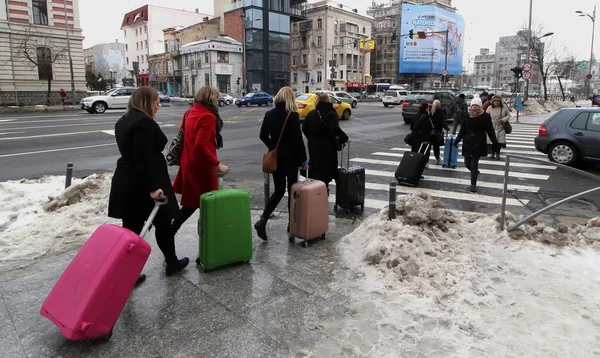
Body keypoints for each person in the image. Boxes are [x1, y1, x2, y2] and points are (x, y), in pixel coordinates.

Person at [108, 87, 189, 280]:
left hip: (126, 179)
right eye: (156, 102)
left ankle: (127, 272)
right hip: (146, 180)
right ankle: (171, 262)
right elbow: (142, 157)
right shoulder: (144, 122)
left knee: (131, 227)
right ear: (147, 102)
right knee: (163, 223)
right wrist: (153, 188)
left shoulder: (123, 120)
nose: (158, 106)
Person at [172, 86, 229, 234]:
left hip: (188, 161)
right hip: (201, 166)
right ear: (210, 98)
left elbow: (182, 135)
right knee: (203, 202)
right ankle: (174, 230)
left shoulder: (190, 111)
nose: (218, 100)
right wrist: (217, 164)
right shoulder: (208, 116)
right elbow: (201, 145)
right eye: (216, 97)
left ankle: (173, 230)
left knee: (195, 201)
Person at [254, 86, 308, 241]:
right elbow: (298, 141)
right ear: (290, 99)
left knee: (278, 191)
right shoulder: (293, 115)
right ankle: (292, 226)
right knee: (292, 192)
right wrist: (304, 160)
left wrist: (273, 147)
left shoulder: (269, 114)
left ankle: (263, 220)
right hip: (291, 160)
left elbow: (262, 135)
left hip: (276, 158)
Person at [302, 92, 350, 190]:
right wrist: (346, 138)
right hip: (328, 147)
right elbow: (335, 129)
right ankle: (324, 192)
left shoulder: (311, 113)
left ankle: (315, 193)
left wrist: (312, 138)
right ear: (328, 100)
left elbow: (304, 128)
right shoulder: (331, 114)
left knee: (315, 169)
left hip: (313, 147)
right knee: (326, 171)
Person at [454, 97, 499, 193]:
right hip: (468, 141)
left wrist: (494, 143)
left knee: (474, 164)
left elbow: (490, 130)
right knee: (467, 163)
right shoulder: (466, 115)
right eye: (472, 105)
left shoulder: (485, 116)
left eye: (476, 105)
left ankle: (473, 184)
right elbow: (463, 129)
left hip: (478, 142)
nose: (474, 107)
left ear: (480, 106)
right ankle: (475, 173)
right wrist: (457, 140)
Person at [486, 95, 511, 160]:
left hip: (501, 127)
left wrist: (503, 119)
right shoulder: (489, 108)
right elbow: (486, 116)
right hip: (492, 128)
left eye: (498, 101)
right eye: (495, 101)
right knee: (493, 141)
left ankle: (497, 153)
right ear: (492, 101)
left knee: (499, 142)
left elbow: (508, 115)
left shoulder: (504, 107)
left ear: (500, 101)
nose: (496, 102)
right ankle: (492, 153)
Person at [430, 99, 450, 165]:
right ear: (439, 105)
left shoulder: (431, 112)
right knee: (436, 147)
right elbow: (443, 122)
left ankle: (426, 159)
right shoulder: (441, 112)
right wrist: (447, 128)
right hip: (437, 132)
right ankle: (437, 158)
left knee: (428, 146)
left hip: (429, 131)